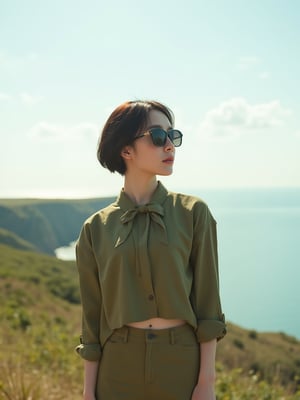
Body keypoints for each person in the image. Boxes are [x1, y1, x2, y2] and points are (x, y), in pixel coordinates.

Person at [75, 100, 226, 400]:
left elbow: (208, 304)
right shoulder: (95, 228)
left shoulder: (193, 213)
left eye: (174, 136)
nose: (170, 146)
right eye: (158, 137)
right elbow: (92, 317)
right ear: (126, 149)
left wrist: (206, 382)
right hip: (117, 367)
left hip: (181, 364)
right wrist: (88, 392)